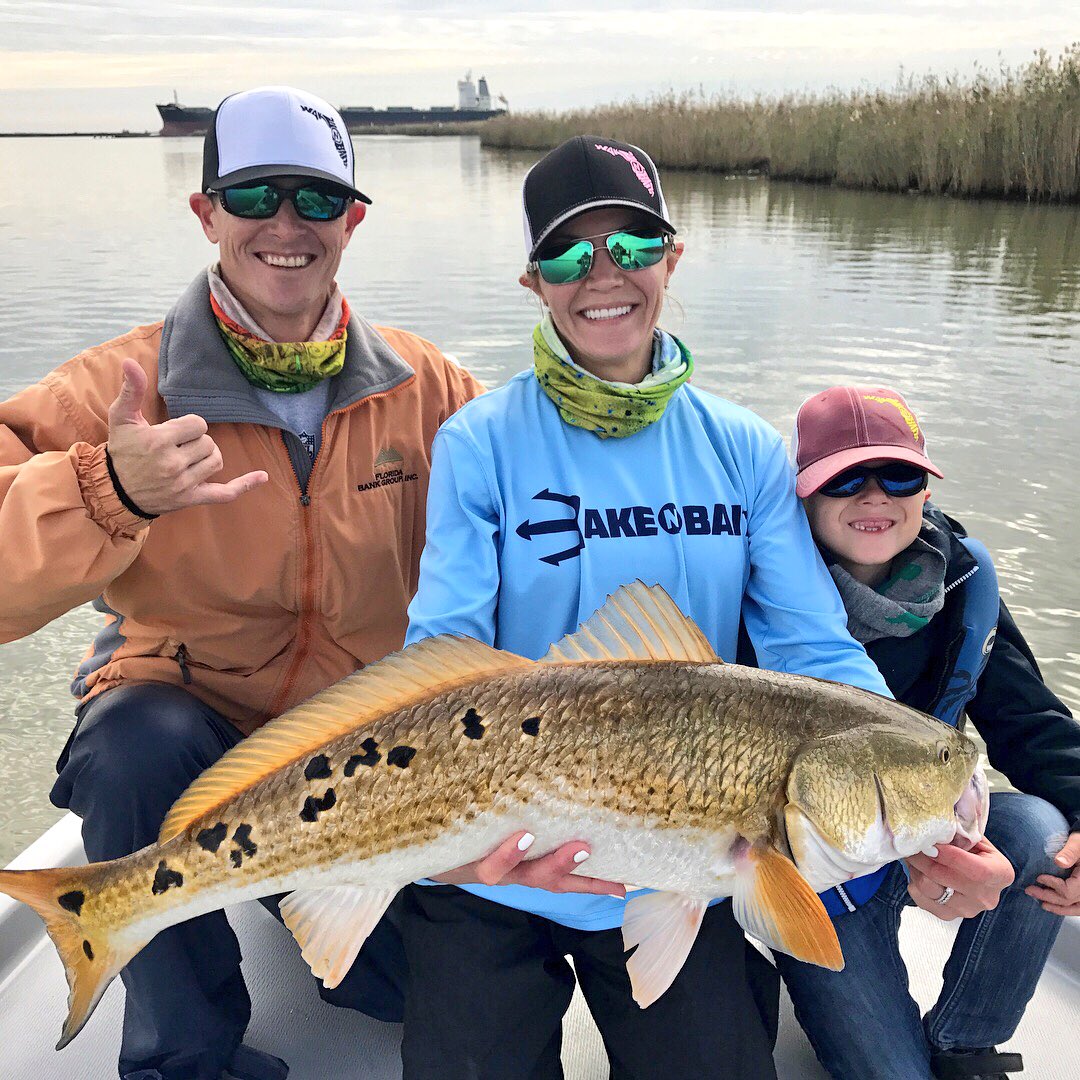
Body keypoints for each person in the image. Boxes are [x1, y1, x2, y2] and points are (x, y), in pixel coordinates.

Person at [0, 86, 492, 1080]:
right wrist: (108, 491)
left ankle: (302, 898)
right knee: (135, 744)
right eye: (255, 194)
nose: (284, 226)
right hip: (192, 721)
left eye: (315, 200)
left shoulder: (431, 389)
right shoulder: (118, 391)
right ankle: (186, 1053)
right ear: (205, 212)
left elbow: (547, 518)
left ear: (353, 220)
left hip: (367, 760)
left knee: (422, 997)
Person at [399, 134, 897, 1080]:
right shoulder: (478, 442)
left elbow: (815, 654)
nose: (602, 277)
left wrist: (937, 810)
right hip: (500, 854)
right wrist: (465, 854)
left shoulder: (745, 449)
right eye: (568, 254)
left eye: (631, 247)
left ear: (673, 256)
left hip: (683, 851)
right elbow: (447, 655)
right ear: (533, 280)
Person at [776, 385, 1080, 1080]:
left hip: (922, 825)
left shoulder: (965, 583)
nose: (876, 496)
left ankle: (966, 1043)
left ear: (925, 484)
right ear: (803, 494)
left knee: (1039, 829)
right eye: (845, 478)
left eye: (900, 475)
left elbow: (1029, 721)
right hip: (812, 861)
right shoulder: (768, 593)